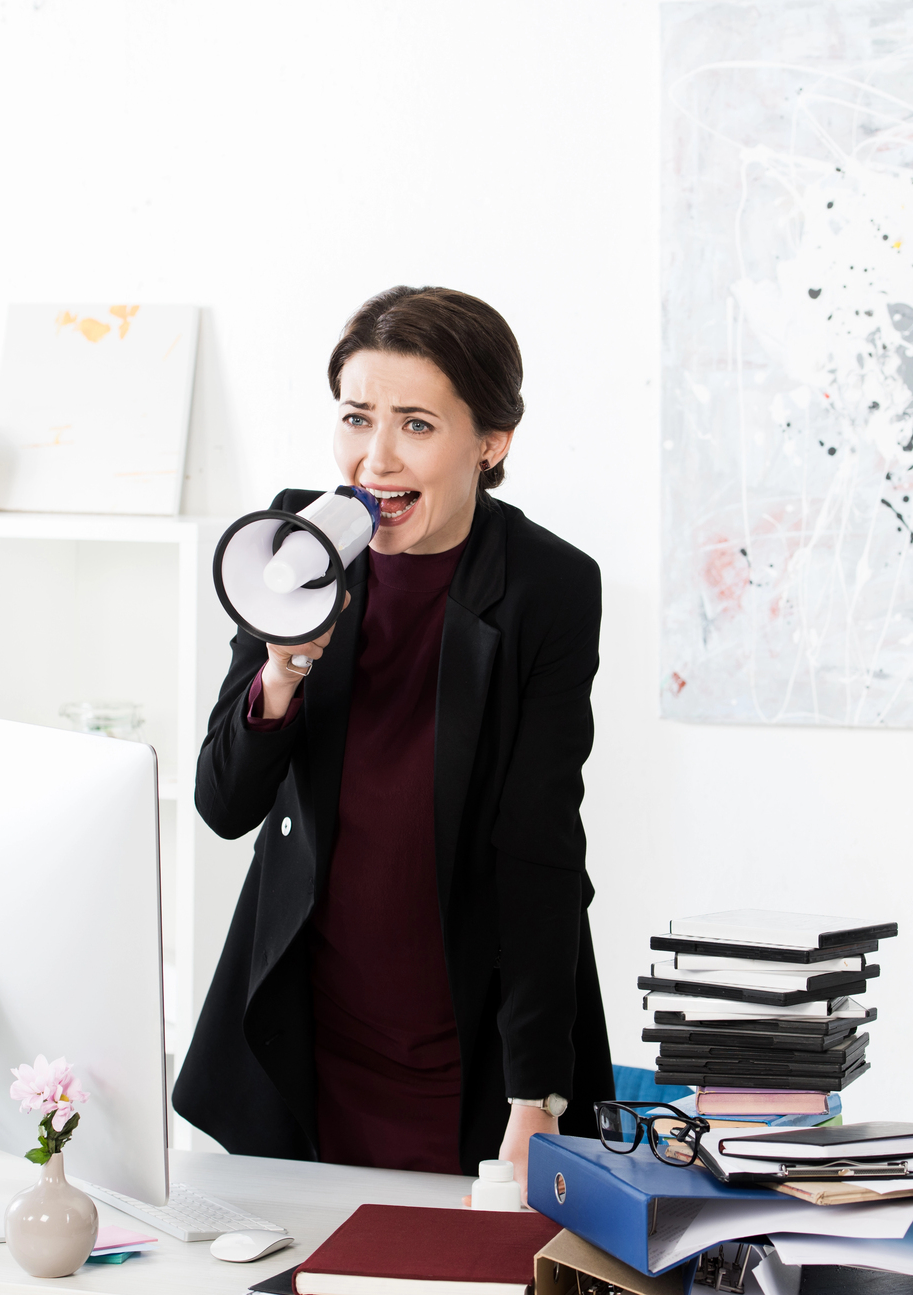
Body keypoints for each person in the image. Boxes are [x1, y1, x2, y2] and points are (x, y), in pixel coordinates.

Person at [173, 285, 612, 1191]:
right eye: (356, 419)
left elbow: (541, 847)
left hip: (466, 1050)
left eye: (416, 425)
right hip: (305, 1040)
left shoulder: (548, 588)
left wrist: (538, 1096)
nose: (373, 460)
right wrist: (282, 667)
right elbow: (223, 804)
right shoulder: (294, 545)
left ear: (491, 443)